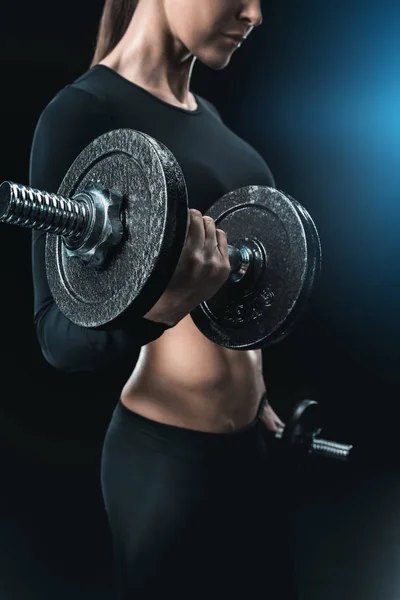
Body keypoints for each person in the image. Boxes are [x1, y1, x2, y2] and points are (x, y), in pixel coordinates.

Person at [29, 0, 300, 597]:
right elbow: (55, 336)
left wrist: (259, 401)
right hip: (168, 462)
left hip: (252, 447)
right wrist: (159, 305)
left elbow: (231, 304)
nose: (254, 14)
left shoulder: (212, 119)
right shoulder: (83, 113)